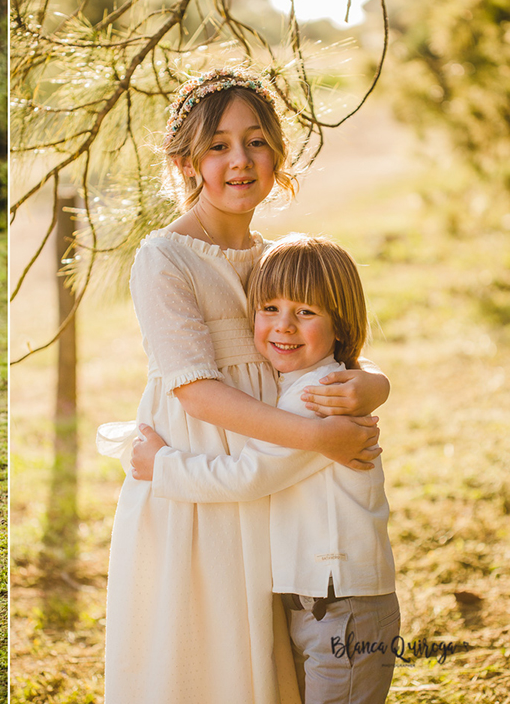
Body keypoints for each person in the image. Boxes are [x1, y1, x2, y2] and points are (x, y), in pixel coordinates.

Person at [96, 69, 389, 704]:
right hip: (201, 470)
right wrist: (320, 437)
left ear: (277, 153)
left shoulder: (279, 259)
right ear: (188, 162)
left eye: (256, 142)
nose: (240, 160)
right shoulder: (165, 257)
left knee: (271, 645)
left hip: (277, 486)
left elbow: (335, 350)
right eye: (218, 146)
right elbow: (197, 392)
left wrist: (372, 387)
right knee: (208, 643)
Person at [132, 234, 399, 703]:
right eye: (270, 308)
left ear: (341, 324)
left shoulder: (318, 398)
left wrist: (163, 466)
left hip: (345, 607)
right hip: (316, 605)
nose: (284, 326)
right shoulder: (297, 386)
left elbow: (249, 474)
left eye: (306, 312)